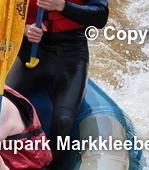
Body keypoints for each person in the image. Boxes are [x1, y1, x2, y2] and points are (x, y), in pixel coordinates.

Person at [6, 0, 109, 150]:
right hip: (29, 49)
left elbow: (100, 17)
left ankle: (50, 167)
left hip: (71, 52)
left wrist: (62, 6)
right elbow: (2, 16)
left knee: (64, 120)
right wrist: (23, 29)